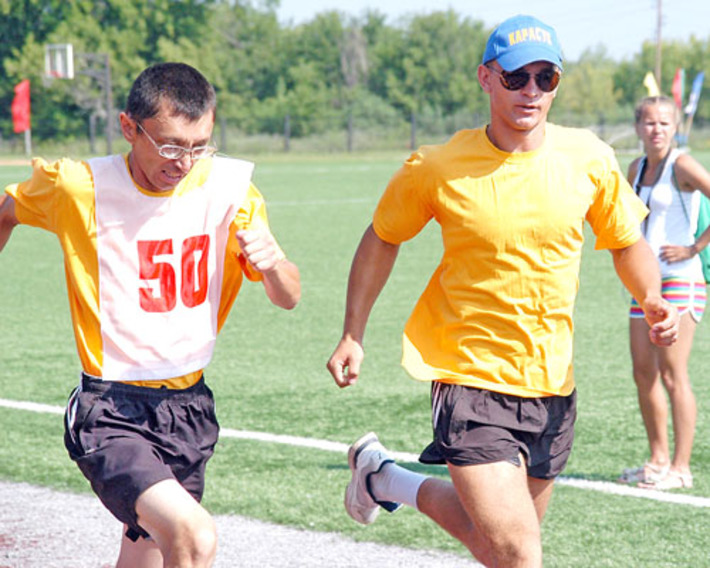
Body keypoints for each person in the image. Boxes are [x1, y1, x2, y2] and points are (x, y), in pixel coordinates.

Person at [326, 14, 679, 568]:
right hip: (469, 375)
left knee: (494, 542)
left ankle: (383, 478)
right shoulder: (439, 167)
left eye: (546, 78)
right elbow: (382, 239)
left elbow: (626, 242)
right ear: (486, 79)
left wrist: (652, 296)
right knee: (518, 553)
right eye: (516, 77)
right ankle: (384, 477)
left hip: (550, 382)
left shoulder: (587, 159)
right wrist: (353, 333)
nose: (531, 91)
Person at [0, 62, 300, 568]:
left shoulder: (229, 191)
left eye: (199, 144)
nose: (184, 161)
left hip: (188, 408)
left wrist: (273, 264)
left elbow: (288, 295)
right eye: (169, 144)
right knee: (194, 536)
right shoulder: (80, 187)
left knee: (147, 556)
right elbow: (8, 209)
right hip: (109, 409)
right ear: (128, 127)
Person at [618, 96, 710, 490]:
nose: (656, 130)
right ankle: (657, 460)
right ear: (638, 128)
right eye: (650, 123)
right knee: (644, 373)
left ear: (675, 129)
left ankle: (681, 467)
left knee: (674, 375)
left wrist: (694, 248)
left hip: (682, 279)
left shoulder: (683, 165)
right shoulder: (635, 168)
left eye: (664, 124)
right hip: (647, 285)